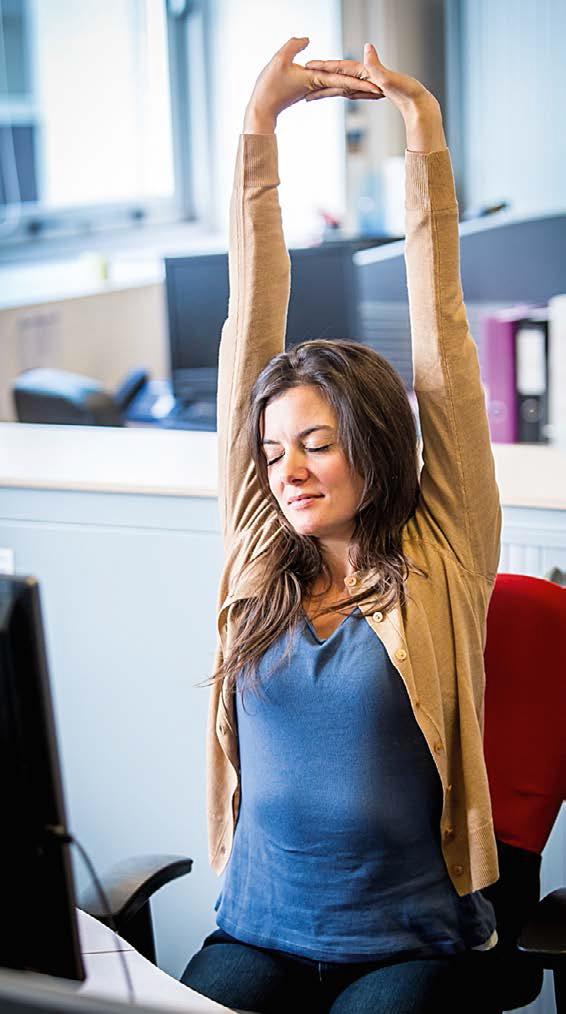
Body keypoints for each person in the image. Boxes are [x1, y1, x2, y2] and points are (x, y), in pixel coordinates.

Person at [182, 37, 502, 1014]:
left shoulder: (441, 552)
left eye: (316, 444)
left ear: (371, 442)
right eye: (273, 450)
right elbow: (248, 326)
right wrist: (257, 125)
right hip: (255, 927)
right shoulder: (257, 546)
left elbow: (443, 339)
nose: (288, 471)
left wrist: (422, 132)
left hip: (403, 943)